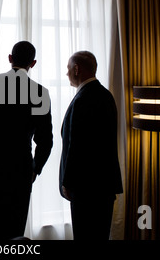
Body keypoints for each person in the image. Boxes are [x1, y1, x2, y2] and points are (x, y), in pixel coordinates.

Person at [0, 41, 53, 240]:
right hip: (20, 171)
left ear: (10, 58)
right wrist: (35, 168)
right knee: (15, 233)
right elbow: (45, 140)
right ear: (33, 63)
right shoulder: (40, 93)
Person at [59, 51, 123, 240]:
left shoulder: (83, 99)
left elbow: (76, 145)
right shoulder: (105, 95)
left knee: (85, 235)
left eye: (68, 68)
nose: (67, 73)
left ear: (77, 69)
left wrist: (67, 181)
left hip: (85, 187)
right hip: (104, 185)